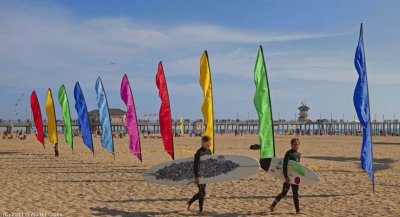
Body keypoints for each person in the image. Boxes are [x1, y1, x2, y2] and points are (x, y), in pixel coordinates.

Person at [270, 138, 302, 214]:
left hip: (294, 177)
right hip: (288, 177)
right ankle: (273, 205)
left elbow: (297, 167)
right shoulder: (288, 153)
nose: (296, 146)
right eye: (294, 144)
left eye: (297, 144)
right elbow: (284, 166)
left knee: (295, 194)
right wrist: (286, 177)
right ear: (291, 145)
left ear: (299, 145)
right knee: (284, 193)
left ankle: (298, 211)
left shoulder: (299, 154)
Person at [187, 136, 212, 213]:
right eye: (208, 143)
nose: (210, 144)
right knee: (202, 192)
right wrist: (196, 177)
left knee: (201, 193)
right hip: (198, 175)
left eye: (210, 142)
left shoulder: (209, 151)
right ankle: (190, 202)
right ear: (203, 142)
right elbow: (195, 165)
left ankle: (200, 210)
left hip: (204, 175)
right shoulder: (199, 152)